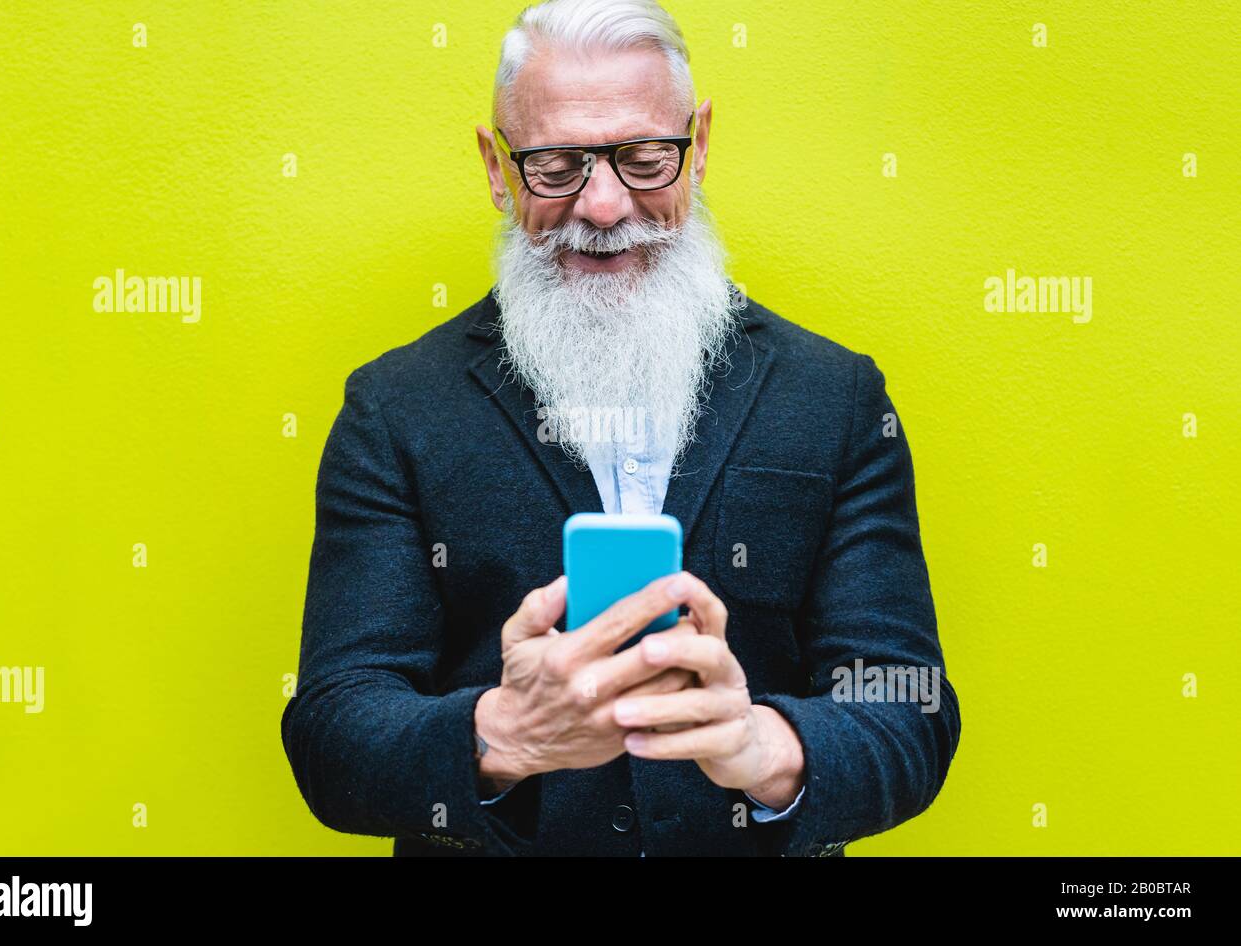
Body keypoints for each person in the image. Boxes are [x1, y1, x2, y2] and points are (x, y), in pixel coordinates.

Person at [281, 0, 960, 856]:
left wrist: (759, 746)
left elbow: (910, 708)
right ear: (497, 168)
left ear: (699, 147)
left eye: (644, 158)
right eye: (557, 166)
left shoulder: (838, 396)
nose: (603, 207)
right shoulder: (393, 408)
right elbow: (332, 733)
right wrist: (503, 734)